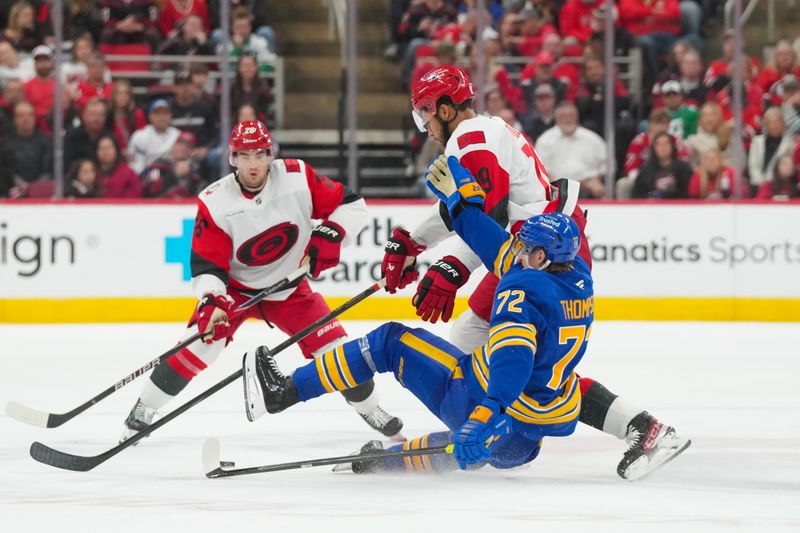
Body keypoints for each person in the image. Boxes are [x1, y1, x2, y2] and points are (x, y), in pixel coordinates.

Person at [244, 156, 688, 477]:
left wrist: (485, 413)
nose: (515, 246)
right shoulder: (578, 278)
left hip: (483, 401)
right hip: (525, 437)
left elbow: (511, 361)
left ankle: (284, 393)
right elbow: (498, 246)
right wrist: (463, 211)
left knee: (389, 341)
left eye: (525, 244)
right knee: (541, 397)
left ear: (540, 256)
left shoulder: (519, 289)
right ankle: (644, 428)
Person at [388, 66, 689, 479]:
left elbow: (483, 219)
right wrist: (415, 243)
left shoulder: (469, 140)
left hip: (540, 256)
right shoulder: (486, 131)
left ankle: (482, 432)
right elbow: (473, 211)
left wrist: (448, 263)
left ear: (444, 108)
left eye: (425, 111)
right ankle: (637, 426)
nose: (424, 123)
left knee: (495, 349)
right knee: (505, 351)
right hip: (544, 249)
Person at [120, 121, 403, 443]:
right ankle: (143, 410)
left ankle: (371, 409)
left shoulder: (297, 177)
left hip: (291, 290)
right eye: (244, 155)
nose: (252, 163)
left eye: (259, 154)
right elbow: (205, 265)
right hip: (235, 294)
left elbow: (351, 205)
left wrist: (331, 232)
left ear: (271, 155)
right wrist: (212, 301)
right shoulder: (215, 201)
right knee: (198, 345)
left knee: (338, 352)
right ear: (232, 158)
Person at [535, 101, 608, 199]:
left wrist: (596, 179)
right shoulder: (544, 140)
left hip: (588, 186)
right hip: (556, 188)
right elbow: (540, 169)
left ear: (577, 117)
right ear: (556, 119)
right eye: (563, 116)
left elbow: (606, 165)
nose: (567, 119)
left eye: (571, 115)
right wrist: (554, 186)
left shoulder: (593, 139)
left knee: (600, 189)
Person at [0, 100, 52, 188]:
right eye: (21, 115)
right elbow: (4, 168)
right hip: (11, 189)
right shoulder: (5, 143)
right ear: (14, 119)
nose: (26, 119)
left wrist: (35, 186)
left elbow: (49, 169)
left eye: (30, 115)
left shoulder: (47, 141)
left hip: (40, 190)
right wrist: (15, 180)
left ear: (35, 118)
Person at [632, 131, 693, 199]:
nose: (662, 147)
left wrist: (668, 196)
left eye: (666, 143)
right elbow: (638, 194)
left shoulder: (683, 168)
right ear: (653, 148)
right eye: (658, 144)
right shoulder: (645, 170)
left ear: (672, 146)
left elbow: (689, 193)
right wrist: (651, 195)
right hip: (652, 207)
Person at [127, 99, 181, 174]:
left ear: (170, 115)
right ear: (150, 116)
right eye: (157, 114)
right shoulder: (139, 136)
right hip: (146, 176)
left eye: (165, 113)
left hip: (171, 175)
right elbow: (134, 166)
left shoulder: (177, 135)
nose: (162, 117)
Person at [747, 107, 796, 188]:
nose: (774, 125)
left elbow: (790, 169)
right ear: (765, 125)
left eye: (777, 121)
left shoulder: (790, 143)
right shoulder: (757, 142)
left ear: (783, 123)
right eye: (770, 122)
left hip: (782, 185)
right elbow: (753, 167)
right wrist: (763, 183)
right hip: (759, 185)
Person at [106, 79, 146, 154]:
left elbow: (142, 139)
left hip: (134, 154)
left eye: (126, 93)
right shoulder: (108, 114)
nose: (122, 97)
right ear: (113, 95)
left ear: (130, 96)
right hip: (113, 154)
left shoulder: (137, 114)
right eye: (119, 93)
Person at [22, 44, 55, 124]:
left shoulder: (59, 85)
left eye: (46, 60)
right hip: (35, 125)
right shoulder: (27, 86)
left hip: (54, 124)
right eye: (39, 60)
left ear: (52, 62)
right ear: (35, 63)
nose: (43, 63)